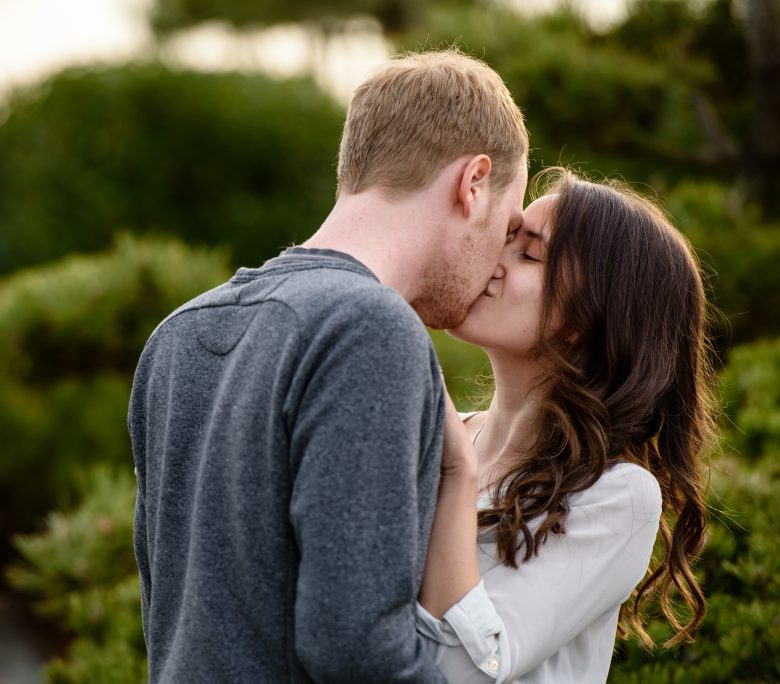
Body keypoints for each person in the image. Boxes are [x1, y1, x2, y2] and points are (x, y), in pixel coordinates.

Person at [128, 48, 529, 683]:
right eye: (509, 227)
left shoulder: (178, 335)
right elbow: (355, 648)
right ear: (473, 183)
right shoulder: (368, 328)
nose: (498, 261)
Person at [416, 169, 715, 683]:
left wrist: (455, 473)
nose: (492, 257)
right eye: (505, 237)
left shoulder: (618, 497)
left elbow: (463, 668)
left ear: (588, 319)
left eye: (528, 254)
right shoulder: (432, 436)